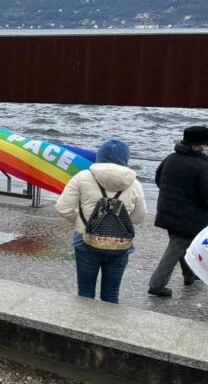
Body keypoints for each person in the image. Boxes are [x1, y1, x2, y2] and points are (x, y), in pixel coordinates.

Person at [55, 138, 147, 303]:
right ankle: (107, 327)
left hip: (86, 240)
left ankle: (82, 325)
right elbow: (140, 216)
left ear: (99, 156)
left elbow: (63, 207)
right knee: (111, 294)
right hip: (120, 243)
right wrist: (119, 225)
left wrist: (82, 223)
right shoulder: (134, 183)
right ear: (125, 159)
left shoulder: (82, 177)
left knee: (85, 292)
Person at [147, 126, 208, 297]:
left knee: (180, 244)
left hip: (167, 211)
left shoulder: (171, 158)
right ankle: (157, 284)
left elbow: (159, 179)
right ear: (200, 145)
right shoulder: (203, 165)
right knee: (176, 247)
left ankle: (189, 275)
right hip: (189, 217)